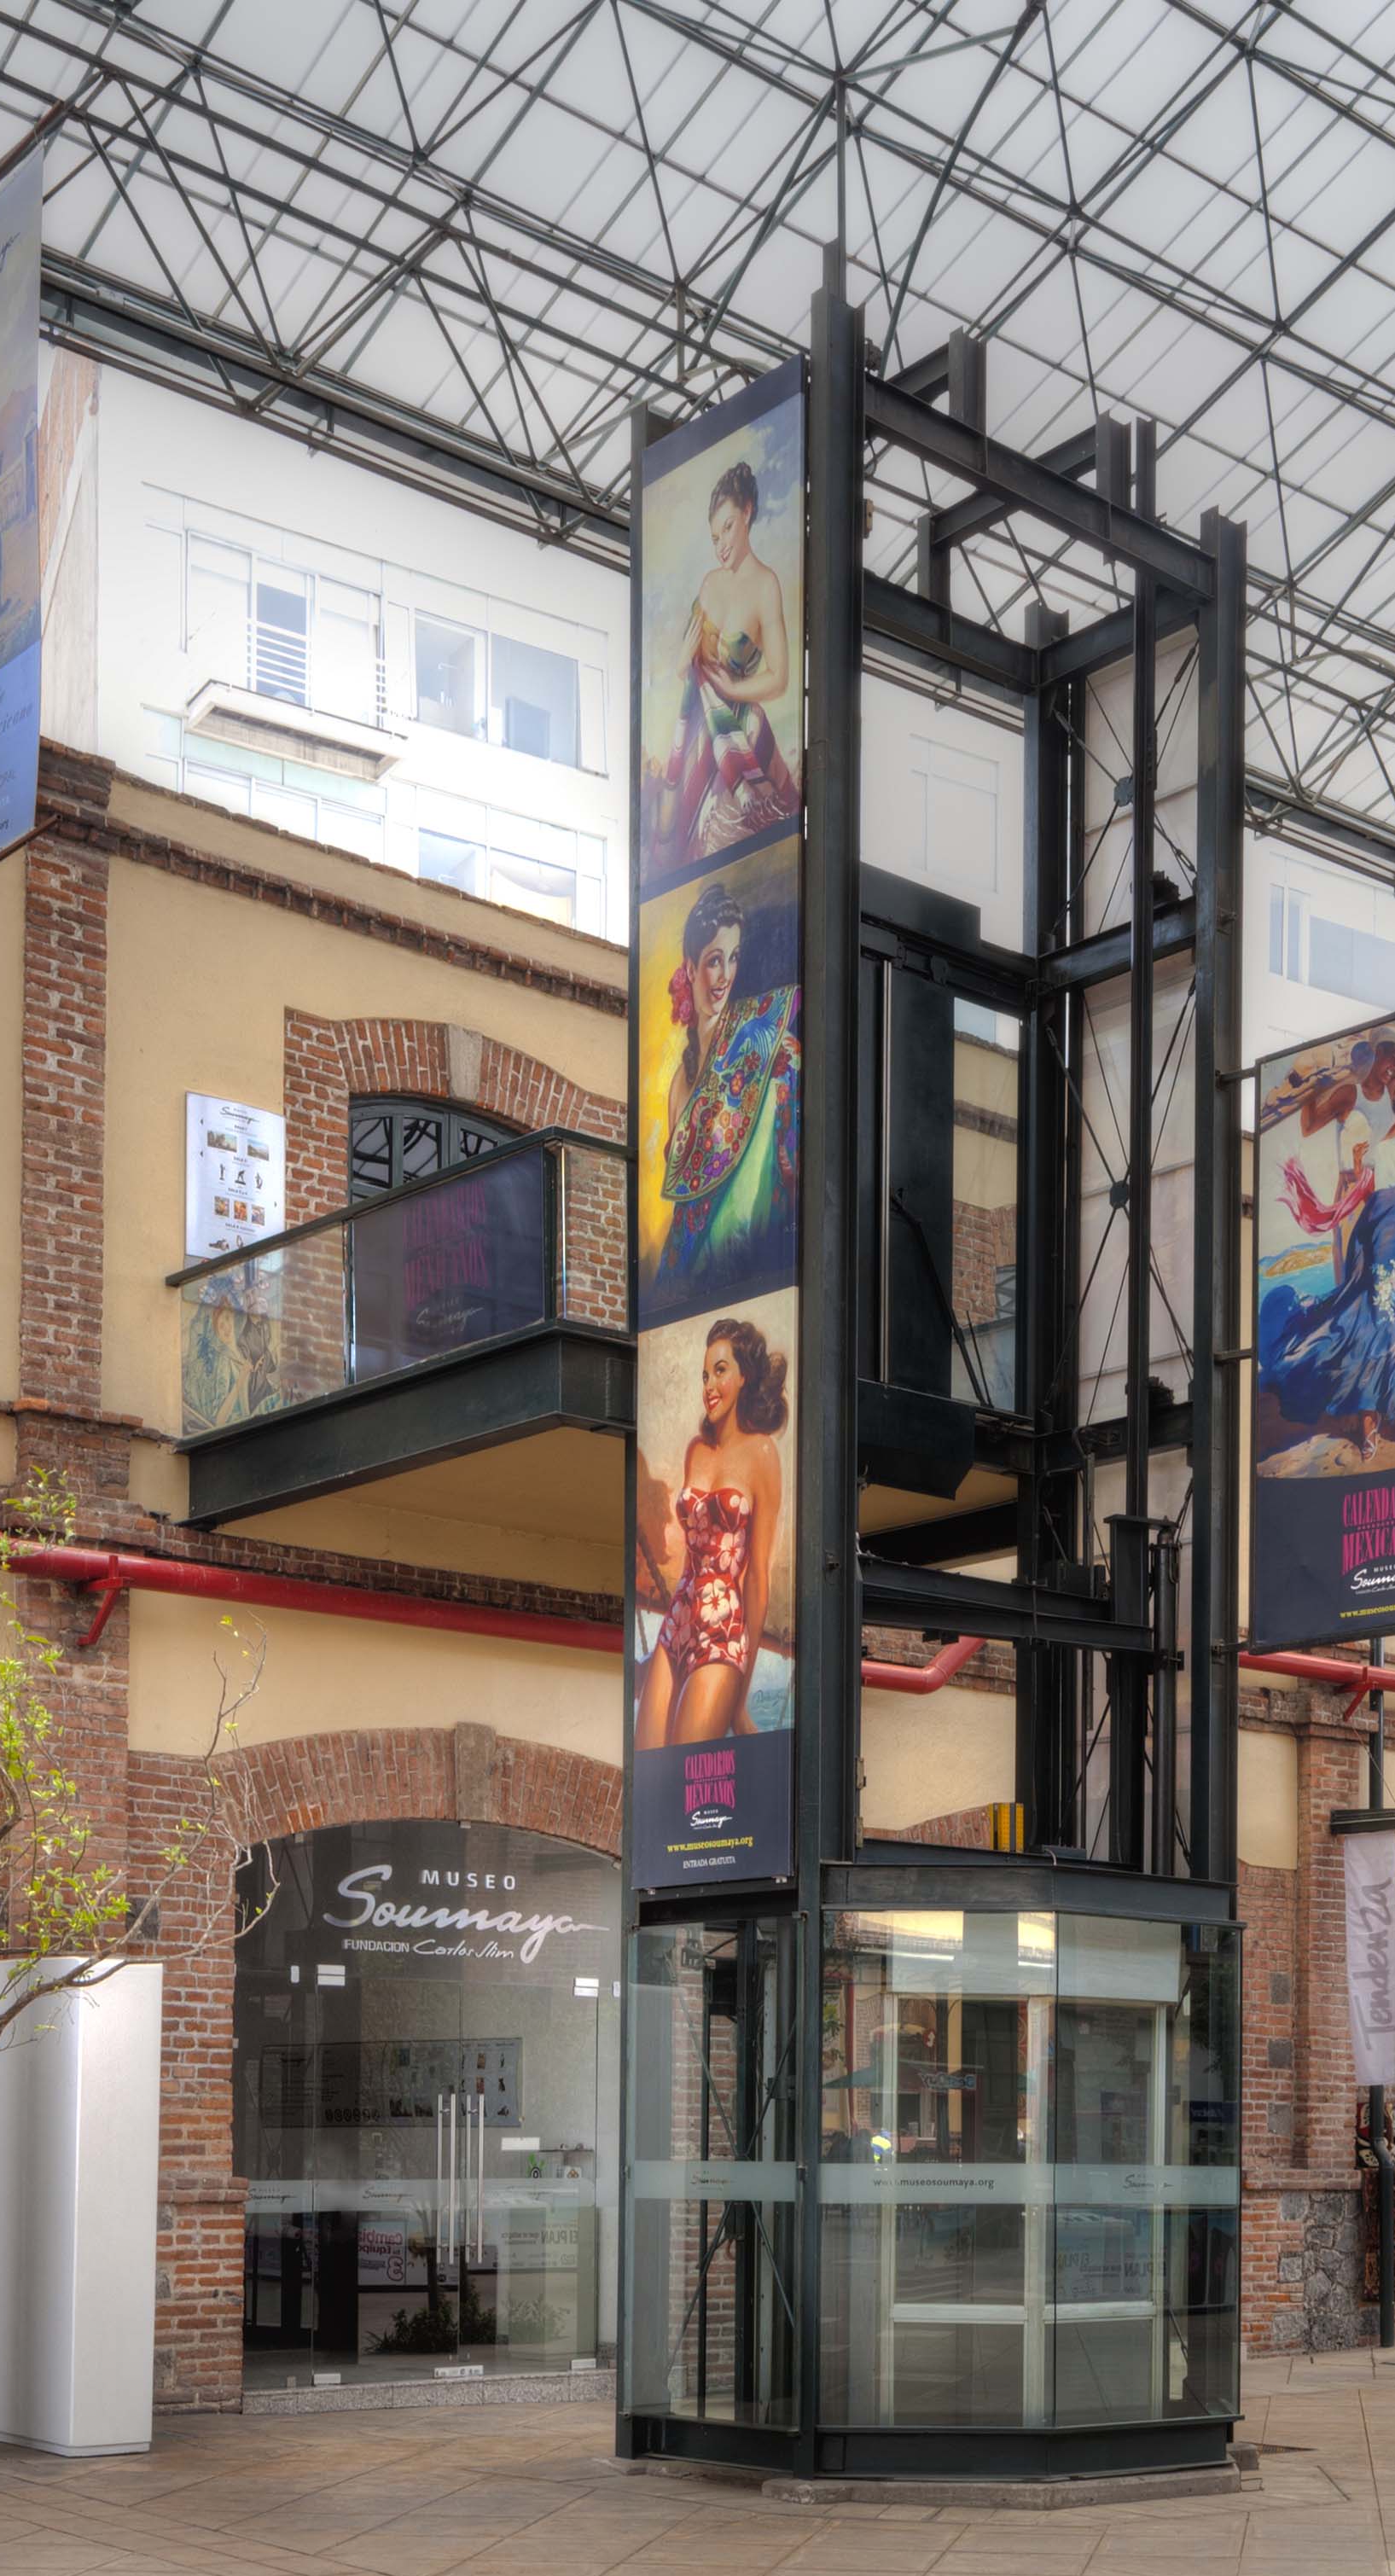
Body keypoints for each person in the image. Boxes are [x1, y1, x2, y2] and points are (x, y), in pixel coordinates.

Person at [1262, 1043, 1395, 1462]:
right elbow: (1373, 1188)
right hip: (1367, 1225)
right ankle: (1371, 1417)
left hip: (1392, 1218)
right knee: (1360, 1322)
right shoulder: (1390, 1131)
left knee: (1384, 1318)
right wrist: (1359, 1172)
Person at [636, 1316, 788, 1753]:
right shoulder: (695, 1451)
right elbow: (690, 1560)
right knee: (648, 1767)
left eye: (720, 1371)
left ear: (744, 1376)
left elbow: (758, 1577)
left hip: (724, 1634)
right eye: (705, 1374)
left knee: (684, 1773)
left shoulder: (763, 1455)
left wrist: (741, 1696)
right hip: (679, 1620)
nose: (709, 1385)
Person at [648, 875, 795, 1312]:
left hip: (745, 1267)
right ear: (690, 968)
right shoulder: (677, 1082)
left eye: (733, 959)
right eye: (714, 961)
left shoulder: (756, 1038)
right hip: (689, 1284)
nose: (725, 976)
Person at [654, 458, 798, 866]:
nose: (721, 545)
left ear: (748, 513)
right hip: (700, 726)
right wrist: (685, 659)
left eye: (728, 528)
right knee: (689, 843)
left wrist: (734, 689)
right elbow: (687, 670)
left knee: (730, 844)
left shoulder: (766, 584)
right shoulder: (709, 583)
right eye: (715, 536)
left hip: (740, 729)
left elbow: (781, 678)